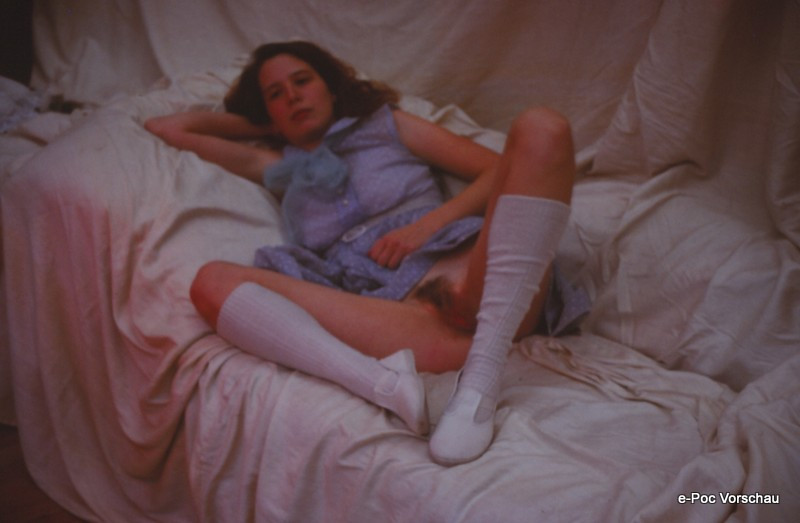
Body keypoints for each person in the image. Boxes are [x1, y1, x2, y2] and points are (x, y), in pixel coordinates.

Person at [145, 41, 588, 465]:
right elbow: (168, 129)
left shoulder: (386, 125)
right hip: (397, 312)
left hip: (477, 275)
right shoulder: (276, 166)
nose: (293, 96)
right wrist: (264, 125)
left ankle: (479, 381)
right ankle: (385, 385)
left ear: (332, 88)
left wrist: (430, 224)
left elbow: (499, 169)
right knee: (211, 282)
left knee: (543, 128)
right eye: (275, 94)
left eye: (302, 81)